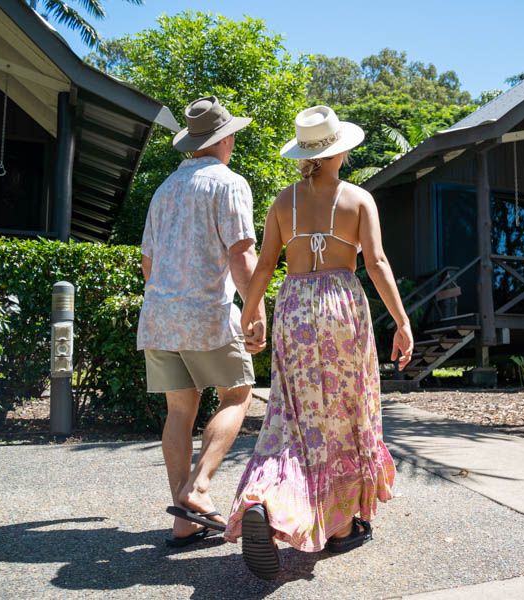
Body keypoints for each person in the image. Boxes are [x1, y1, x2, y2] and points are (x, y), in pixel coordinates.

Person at [224, 105, 413, 580]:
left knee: (292, 416)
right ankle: (343, 522)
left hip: (293, 309)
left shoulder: (282, 202)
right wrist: (402, 321)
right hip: (342, 310)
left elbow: (264, 266)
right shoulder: (358, 200)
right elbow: (377, 264)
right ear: (340, 150)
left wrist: (251, 315)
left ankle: (265, 502)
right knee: (347, 413)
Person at [137, 96, 266, 548]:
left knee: (179, 410)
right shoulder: (229, 183)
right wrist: (254, 310)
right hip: (206, 313)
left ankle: (184, 520)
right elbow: (241, 254)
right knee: (238, 394)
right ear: (225, 138)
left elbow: (147, 265)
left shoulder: (164, 190)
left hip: (158, 317)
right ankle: (200, 488)